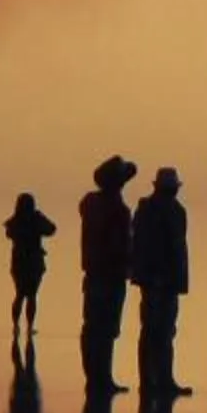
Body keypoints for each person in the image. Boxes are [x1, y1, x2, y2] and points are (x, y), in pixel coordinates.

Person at [130, 166, 192, 398]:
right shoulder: (161, 210)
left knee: (160, 331)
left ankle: (158, 380)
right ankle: (154, 381)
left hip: (161, 281)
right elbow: (151, 245)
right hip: (159, 280)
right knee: (157, 331)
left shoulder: (157, 210)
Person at [77, 157, 138, 394]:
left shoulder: (90, 204)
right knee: (107, 329)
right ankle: (102, 379)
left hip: (93, 273)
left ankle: (95, 378)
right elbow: (119, 246)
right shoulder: (117, 210)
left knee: (92, 327)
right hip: (111, 275)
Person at [5, 193, 57, 338]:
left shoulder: (16, 221)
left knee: (20, 295)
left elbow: (9, 233)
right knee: (31, 296)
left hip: (21, 262)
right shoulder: (34, 219)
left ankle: (17, 326)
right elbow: (52, 229)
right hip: (32, 262)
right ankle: (28, 326)